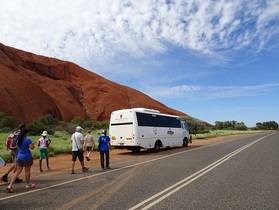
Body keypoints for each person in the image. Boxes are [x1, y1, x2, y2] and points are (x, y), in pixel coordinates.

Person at [7, 128, 35, 193]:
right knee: (27, 171)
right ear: (25, 133)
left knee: (18, 171)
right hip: (27, 157)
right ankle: (28, 184)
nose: (28, 134)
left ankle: (10, 185)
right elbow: (32, 148)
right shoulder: (28, 140)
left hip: (19, 157)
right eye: (28, 133)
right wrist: (33, 144)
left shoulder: (18, 141)